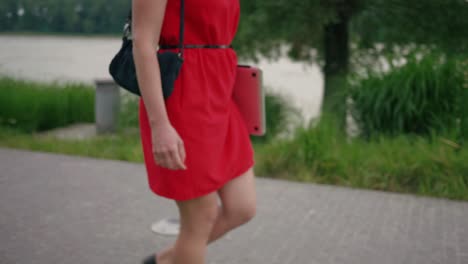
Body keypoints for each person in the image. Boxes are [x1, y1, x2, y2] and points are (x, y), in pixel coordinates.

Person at [133, 0, 257, 263]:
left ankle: (163, 260)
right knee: (201, 216)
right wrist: (160, 125)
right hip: (183, 96)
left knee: (241, 207)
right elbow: (143, 45)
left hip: (221, 92)